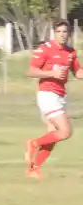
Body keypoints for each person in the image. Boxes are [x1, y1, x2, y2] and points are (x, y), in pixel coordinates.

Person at [25, 20, 83, 179]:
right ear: (54, 33)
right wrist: (51, 74)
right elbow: (30, 71)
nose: (62, 35)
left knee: (53, 135)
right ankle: (33, 143)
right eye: (59, 32)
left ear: (69, 34)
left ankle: (34, 168)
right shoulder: (45, 49)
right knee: (65, 131)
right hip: (47, 94)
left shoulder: (71, 52)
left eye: (65, 32)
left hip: (61, 95)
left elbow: (78, 73)